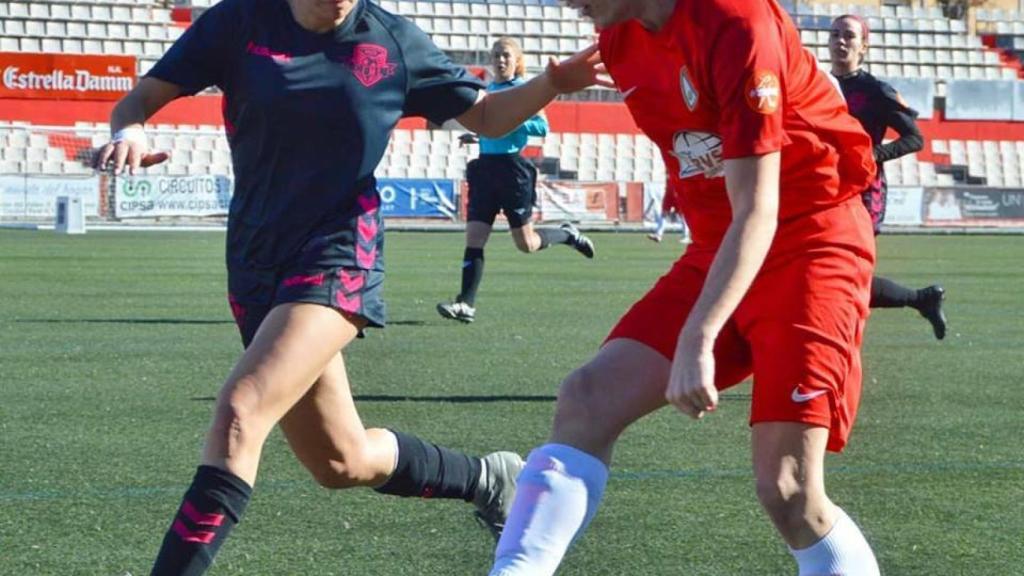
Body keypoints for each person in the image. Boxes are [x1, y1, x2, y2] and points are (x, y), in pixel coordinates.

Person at [92, 0, 610, 573]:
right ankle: (488, 478)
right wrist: (130, 129)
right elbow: (138, 100)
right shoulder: (238, 21)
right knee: (340, 460)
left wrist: (553, 82)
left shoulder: (392, 42)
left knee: (241, 412)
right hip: (254, 258)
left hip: (338, 254)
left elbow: (486, 116)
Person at [488, 0, 883, 574]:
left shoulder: (738, 24)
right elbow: (487, 117)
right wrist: (551, 81)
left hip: (810, 243)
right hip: (718, 247)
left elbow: (759, 208)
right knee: (587, 400)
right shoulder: (620, 38)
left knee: (790, 490)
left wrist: (699, 335)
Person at [437, 37, 595, 324]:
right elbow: (490, 126)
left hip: (513, 171)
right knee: (475, 237)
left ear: (517, 60)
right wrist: (477, 135)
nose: (500, 60)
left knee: (526, 244)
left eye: (506, 56)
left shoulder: (524, 90)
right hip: (485, 169)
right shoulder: (486, 91)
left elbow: (542, 127)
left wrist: (512, 117)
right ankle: (465, 304)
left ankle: (566, 234)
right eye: (496, 55)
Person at [830, 14, 948, 340]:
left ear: (863, 46)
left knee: (846, 273)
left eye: (849, 35)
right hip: (825, 189)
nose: (840, 41)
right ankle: (921, 299)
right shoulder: (818, 85)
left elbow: (914, 139)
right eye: (835, 34)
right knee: (829, 271)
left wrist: (870, 155)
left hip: (864, 192)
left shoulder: (876, 91)